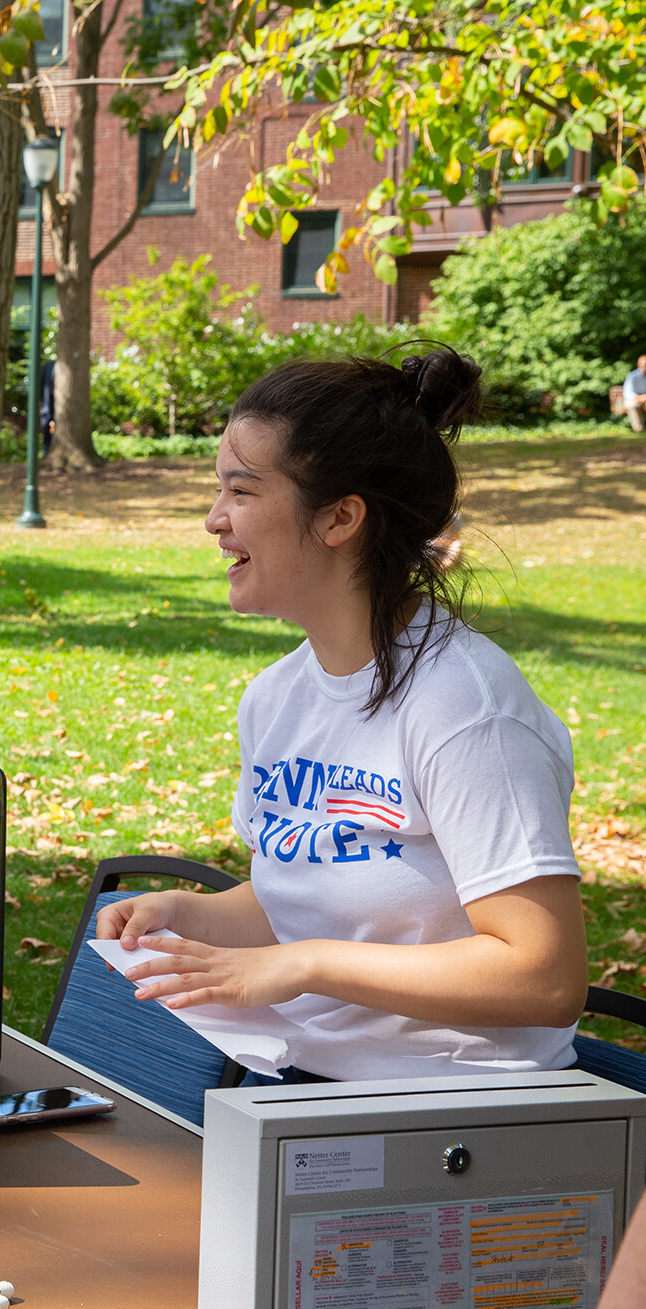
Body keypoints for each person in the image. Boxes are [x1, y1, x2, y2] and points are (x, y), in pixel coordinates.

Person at [99, 347, 586, 1082]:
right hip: (297, 1087)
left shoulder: (465, 707)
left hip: (458, 1119)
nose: (213, 519)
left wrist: (304, 966)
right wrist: (184, 912)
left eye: (241, 491)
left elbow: (543, 977)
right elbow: (309, 897)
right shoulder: (274, 696)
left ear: (339, 517)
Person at [623, 354, 646, 435]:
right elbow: (627, 394)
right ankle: (639, 430)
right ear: (639, 365)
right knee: (631, 405)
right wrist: (639, 397)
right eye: (644, 365)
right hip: (634, 400)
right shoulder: (632, 376)